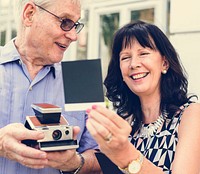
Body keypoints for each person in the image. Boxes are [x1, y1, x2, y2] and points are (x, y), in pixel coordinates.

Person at [0, 0, 101, 173]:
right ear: (30, 14)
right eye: (65, 22)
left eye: (75, 25)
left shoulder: (83, 79)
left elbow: (103, 155)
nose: (73, 36)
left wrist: (77, 162)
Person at [86, 20, 200, 174]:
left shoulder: (190, 115)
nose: (134, 64)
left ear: (164, 63)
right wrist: (71, 161)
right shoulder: (124, 122)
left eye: (143, 53)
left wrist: (125, 154)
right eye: (125, 57)